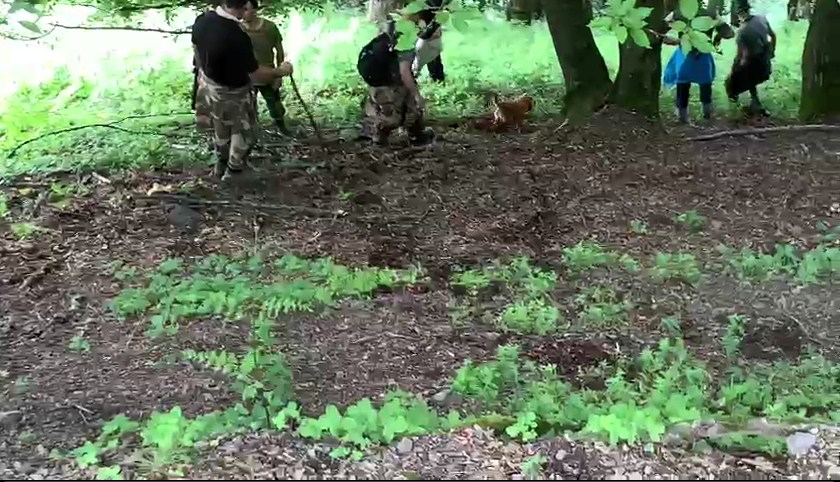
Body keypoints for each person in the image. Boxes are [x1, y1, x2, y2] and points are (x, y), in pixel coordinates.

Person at [191, 0, 294, 180]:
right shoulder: (236, 35)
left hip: (209, 86)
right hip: (233, 92)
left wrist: (205, 74)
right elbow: (255, 73)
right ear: (242, 8)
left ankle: (221, 164)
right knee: (246, 133)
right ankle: (235, 171)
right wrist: (280, 72)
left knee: (220, 129)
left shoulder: (203, 20)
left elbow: (196, 49)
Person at [356, 12, 435, 146]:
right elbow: (405, 72)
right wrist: (417, 95)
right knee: (406, 108)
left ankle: (378, 134)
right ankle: (415, 135)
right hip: (390, 82)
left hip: (375, 80)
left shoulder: (392, 31)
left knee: (382, 107)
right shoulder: (406, 41)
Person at [662, 9, 734, 123]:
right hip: (702, 56)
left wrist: (677, 41)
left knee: (682, 86)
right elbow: (729, 34)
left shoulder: (679, 13)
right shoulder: (710, 14)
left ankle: (683, 118)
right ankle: (707, 116)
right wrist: (717, 36)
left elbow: (661, 31)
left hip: (685, 55)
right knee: (705, 86)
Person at [241, 0, 292, 135]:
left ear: (255, 10)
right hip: (247, 76)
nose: (243, 13)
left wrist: (279, 74)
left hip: (268, 74)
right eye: (242, 9)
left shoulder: (269, 27)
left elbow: (279, 50)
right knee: (249, 106)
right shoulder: (238, 29)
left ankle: (281, 127)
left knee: (274, 103)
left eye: (246, 9)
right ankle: (253, 132)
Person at [725, 3, 776, 116]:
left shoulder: (742, 32)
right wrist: (772, 51)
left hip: (753, 65)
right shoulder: (762, 19)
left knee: (730, 81)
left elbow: (742, 56)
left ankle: (738, 103)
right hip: (765, 63)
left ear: (739, 14)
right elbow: (773, 36)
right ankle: (754, 101)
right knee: (749, 76)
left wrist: (734, 68)